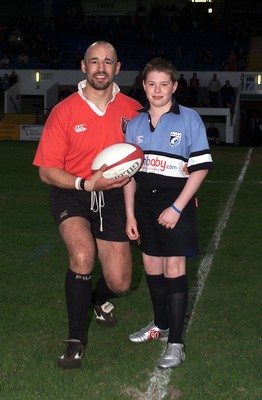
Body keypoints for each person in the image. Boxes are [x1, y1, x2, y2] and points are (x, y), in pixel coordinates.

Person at [33, 41, 142, 370]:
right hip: (74, 190)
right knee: (82, 254)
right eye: (94, 61)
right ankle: (75, 340)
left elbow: (146, 161)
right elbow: (47, 171)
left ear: (117, 68)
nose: (101, 67)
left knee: (121, 281)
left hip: (113, 196)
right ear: (83, 66)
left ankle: (98, 299)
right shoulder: (64, 110)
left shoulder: (133, 110)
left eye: (108, 62)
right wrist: (85, 183)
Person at [124, 57, 213, 369]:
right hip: (144, 206)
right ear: (143, 87)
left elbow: (200, 169)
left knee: (174, 269)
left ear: (174, 86)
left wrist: (177, 207)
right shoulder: (134, 124)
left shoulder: (189, 119)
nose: (157, 90)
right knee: (151, 265)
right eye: (151, 84)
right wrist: (130, 215)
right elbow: (129, 175)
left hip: (177, 201)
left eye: (164, 84)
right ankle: (159, 325)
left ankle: (175, 343)